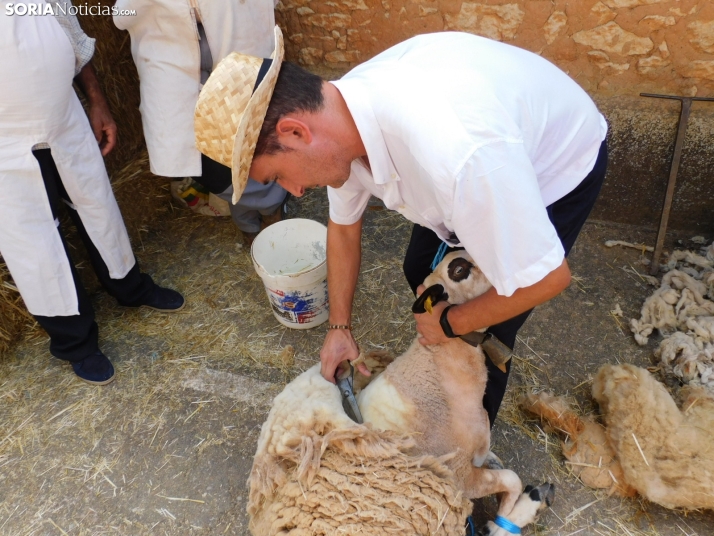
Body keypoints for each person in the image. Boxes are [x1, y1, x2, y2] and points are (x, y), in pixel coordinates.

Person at [194, 27, 608, 425]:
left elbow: (547, 279)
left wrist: (452, 323)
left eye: (279, 175)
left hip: (554, 166)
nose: (296, 191)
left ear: (296, 132)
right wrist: (339, 327)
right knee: (419, 269)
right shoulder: (339, 121)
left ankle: (463, 454)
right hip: (470, 172)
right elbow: (342, 227)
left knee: (483, 328)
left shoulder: (457, 155)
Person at [0, 3, 185, 385]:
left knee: (97, 203)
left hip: (64, 116)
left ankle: (130, 287)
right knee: (31, 239)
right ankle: (76, 342)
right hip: (4, 146)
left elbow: (73, 36)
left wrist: (97, 100)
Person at [113, 0, 288, 245]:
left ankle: (254, 217)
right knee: (195, 150)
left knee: (248, 130)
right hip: (167, 41)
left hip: (235, 26)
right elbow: (123, 14)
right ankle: (271, 202)